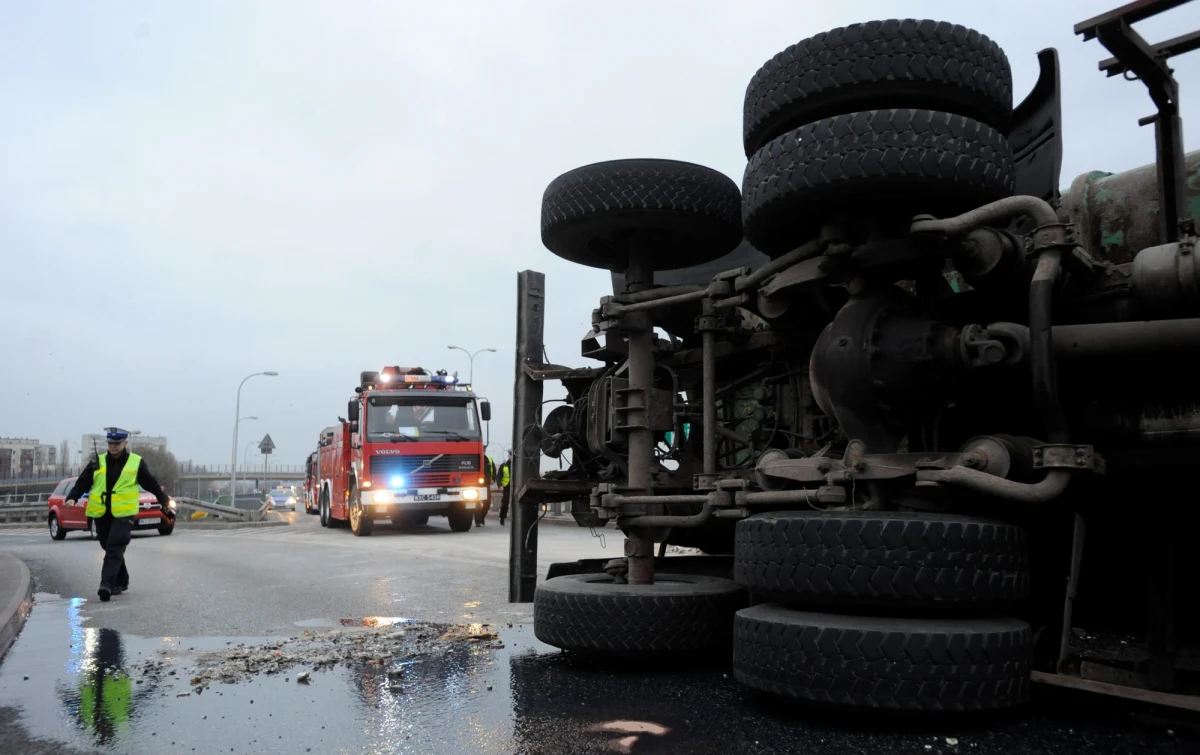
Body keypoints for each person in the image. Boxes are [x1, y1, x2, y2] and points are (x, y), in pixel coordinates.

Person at [64, 428, 172, 602]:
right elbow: (83, 482)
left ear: (125, 443)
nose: (113, 447)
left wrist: (164, 501)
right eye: (110, 444)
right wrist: (72, 497)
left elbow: (150, 483)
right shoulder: (97, 461)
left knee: (115, 545)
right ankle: (122, 579)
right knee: (107, 545)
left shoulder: (135, 462)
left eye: (117, 444)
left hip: (124, 513)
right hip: (101, 511)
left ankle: (106, 584)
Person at [475, 453, 498, 527]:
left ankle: (482, 517)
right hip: (476, 485)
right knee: (477, 503)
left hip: (486, 484)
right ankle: (477, 521)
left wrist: (493, 479)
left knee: (487, 503)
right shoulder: (475, 458)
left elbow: (494, 470)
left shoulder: (489, 459)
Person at [497, 450, 512, 525]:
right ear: (509, 456)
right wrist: (500, 485)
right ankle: (502, 517)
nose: (512, 457)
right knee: (505, 502)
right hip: (506, 487)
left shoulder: (519, 466)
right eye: (510, 455)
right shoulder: (504, 465)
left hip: (516, 487)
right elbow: (498, 477)